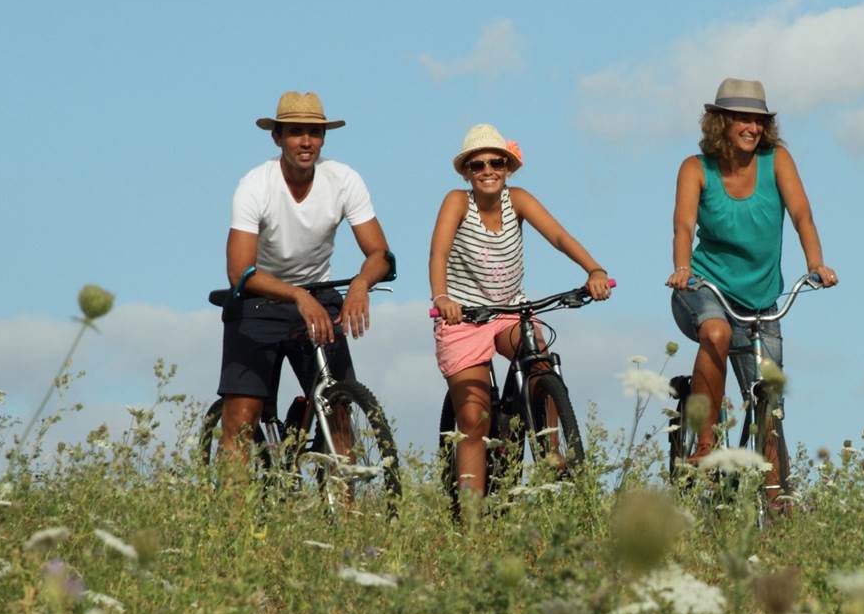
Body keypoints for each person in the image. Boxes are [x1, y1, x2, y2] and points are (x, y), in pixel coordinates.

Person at [666, 78, 838, 498]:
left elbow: (801, 214)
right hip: (703, 287)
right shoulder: (695, 168)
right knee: (716, 333)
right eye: (743, 119)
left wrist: (816, 263)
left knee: (769, 408)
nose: (752, 128)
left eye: (759, 120)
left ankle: (778, 506)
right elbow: (683, 225)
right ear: (721, 123)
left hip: (760, 301)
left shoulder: (776, 160)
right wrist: (682, 267)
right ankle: (705, 444)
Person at [430, 124, 610, 498]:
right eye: (477, 165)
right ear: (467, 173)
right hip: (464, 319)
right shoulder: (457, 202)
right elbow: (439, 253)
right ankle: (472, 523)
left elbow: (559, 237)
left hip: (509, 311)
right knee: (473, 419)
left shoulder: (519, 200)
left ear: (508, 167)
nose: (488, 170)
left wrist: (594, 270)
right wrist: (442, 298)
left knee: (538, 358)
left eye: (496, 162)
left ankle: (552, 452)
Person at [217, 91, 393, 471]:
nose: (306, 141)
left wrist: (360, 284)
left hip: (317, 296)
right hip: (258, 298)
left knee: (339, 406)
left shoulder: (343, 179)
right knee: (242, 415)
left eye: (314, 132)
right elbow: (239, 271)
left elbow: (379, 253)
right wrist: (296, 294)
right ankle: (230, 509)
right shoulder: (255, 185)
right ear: (277, 137)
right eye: (296, 132)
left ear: (324, 138)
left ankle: (345, 503)